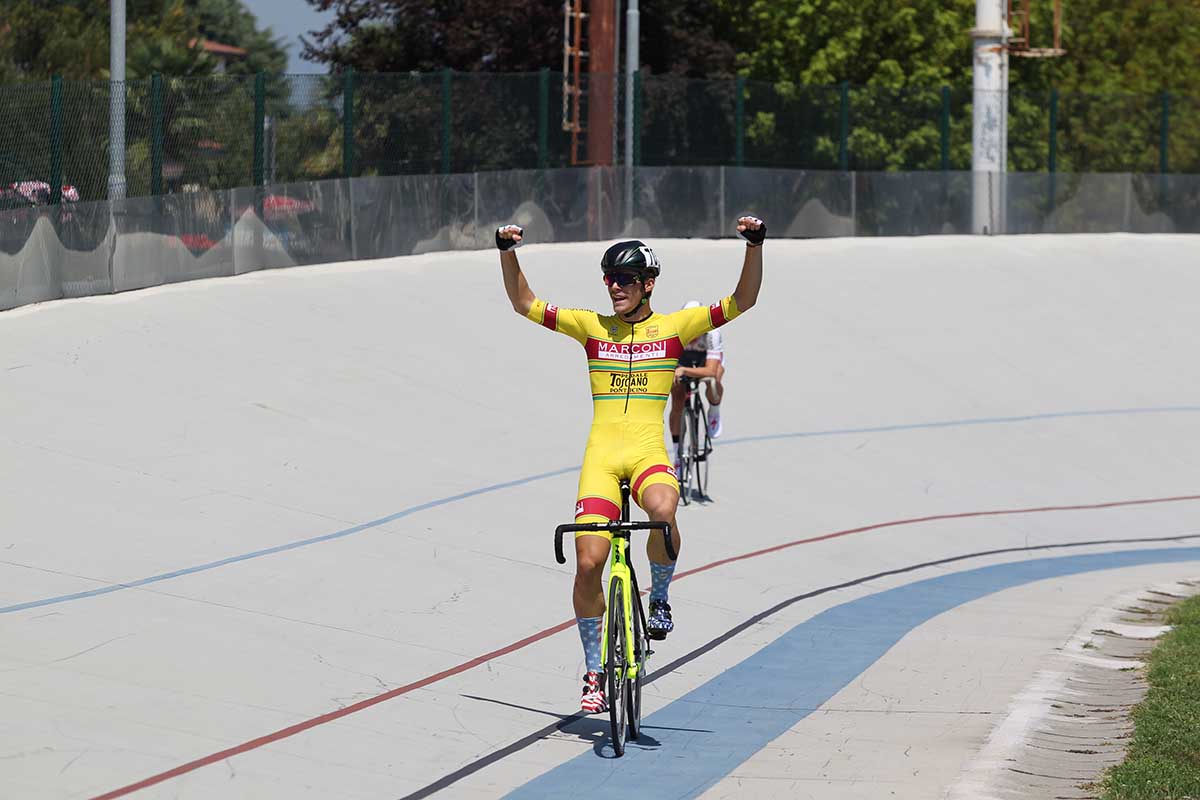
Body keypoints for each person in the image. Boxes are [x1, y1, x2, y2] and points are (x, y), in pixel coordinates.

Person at [496, 217, 765, 713]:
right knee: (587, 563)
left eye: (623, 280)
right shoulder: (592, 326)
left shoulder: (674, 328)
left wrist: (754, 246)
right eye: (608, 279)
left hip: (646, 454)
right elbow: (524, 303)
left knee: (663, 510)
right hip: (601, 457)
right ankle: (594, 670)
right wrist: (507, 252)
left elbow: (742, 300)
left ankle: (659, 597)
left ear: (648, 285)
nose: (614, 288)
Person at [669, 301, 727, 466]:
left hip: (706, 360)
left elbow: (710, 370)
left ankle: (714, 410)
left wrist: (685, 371)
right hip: (682, 360)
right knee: (677, 400)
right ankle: (678, 456)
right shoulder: (674, 330)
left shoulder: (712, 333)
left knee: (713, 380)